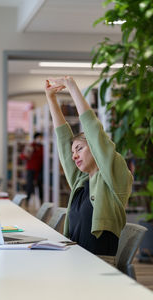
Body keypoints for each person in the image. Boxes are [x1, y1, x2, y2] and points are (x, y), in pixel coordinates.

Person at [45, 76, 133, 257]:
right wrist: (51, 99)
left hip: (98, 265)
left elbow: (93, 130)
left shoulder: (113, 177)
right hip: (76, 260)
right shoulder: (81, 181)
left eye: (79, 148)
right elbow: (63, 140)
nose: (74, 155)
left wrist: (71, 86)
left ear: (94, 147)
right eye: (73, 152)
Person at [20, 133, 43, 205]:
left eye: (41, 138)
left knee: (40, 185)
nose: (40, 139)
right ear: (35, 138)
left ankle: (41, 201)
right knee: (29, 185)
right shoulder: (30, 146)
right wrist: (27, 154)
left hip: (39, 169)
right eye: (38, 137)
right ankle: (27, 201)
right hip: (30, 169)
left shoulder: (42, 147)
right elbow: (23, 156)